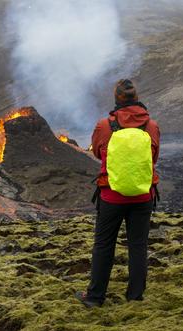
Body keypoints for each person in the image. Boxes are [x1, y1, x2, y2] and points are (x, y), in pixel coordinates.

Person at [75, 79, 160, 307]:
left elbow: (97, 154)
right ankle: (135, 296)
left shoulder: (104, 125)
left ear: (116, 99)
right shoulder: (151, 126)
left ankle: (94, 297)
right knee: (138, 245)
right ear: (137, 98)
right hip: (143, 196)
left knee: (104, 244)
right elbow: (153, 158)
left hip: (111, 196)